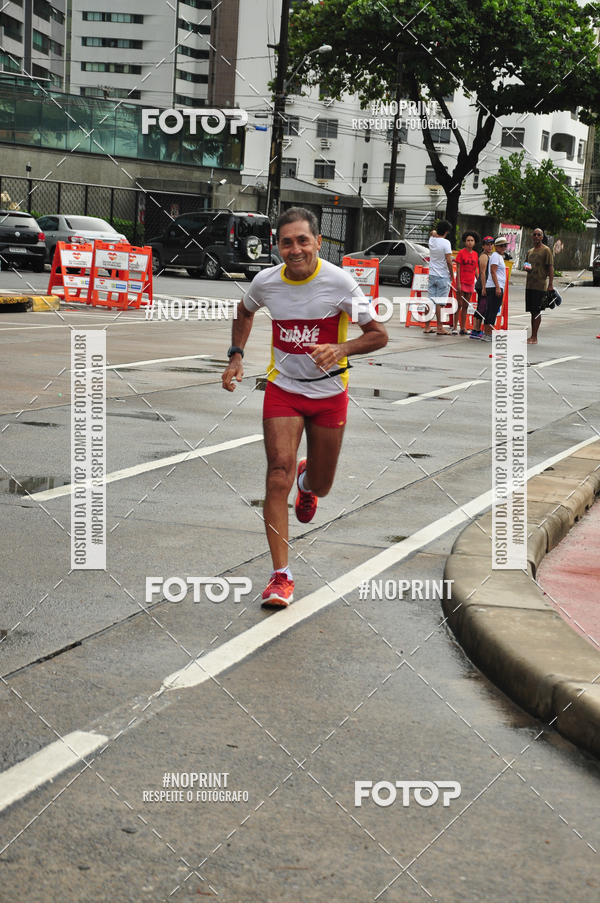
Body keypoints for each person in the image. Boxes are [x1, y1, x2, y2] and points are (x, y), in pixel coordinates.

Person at [221, 207, 388, 608]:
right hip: (284, 388)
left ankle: (307, 482)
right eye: (286, 242)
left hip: (329, 393)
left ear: (318, 242)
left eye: (302, 240)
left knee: (323, 484)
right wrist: (236, 355)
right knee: (276, 472)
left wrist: (342, 348)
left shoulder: (339, 282)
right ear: (277, 246)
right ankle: (281, 576)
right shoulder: (266, 282)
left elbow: (378, 334)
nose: (295, 249)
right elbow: (244, 311)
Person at [423, 220, 454, 335]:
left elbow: (432, 232)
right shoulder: (446, 243)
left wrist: (435, 232)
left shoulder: (432, 240)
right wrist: (451, 274)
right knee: (439, 303)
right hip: (443, 275)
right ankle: (440, 327)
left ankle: (427, 326)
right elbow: (449, 261)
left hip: (432, 274)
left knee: (430, 301)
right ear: (446, 231)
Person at [525, 227, 554, 345]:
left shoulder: (546, 250)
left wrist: (550, 284)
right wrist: (527, 267)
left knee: (537, 311)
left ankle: (534, 337)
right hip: (529, 285)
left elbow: (550, 267)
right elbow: (526, 265)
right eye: (535, 234)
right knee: (532, 311)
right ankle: (532, 336)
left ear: (542, 237)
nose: (536, 236)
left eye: (539, 235)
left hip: (540, 285)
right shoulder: (530, 251)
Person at [479, 236, 507, 342]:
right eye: (501, 246)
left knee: (491, 310)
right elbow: (493, 271)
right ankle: (488, 333)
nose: (504, 248)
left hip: (495, 286)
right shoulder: (496, 256)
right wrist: (498, 287)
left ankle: (487, 333)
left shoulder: (498, 256)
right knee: (492, 311)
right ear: (497, 247)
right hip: (495, 286)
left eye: (505, 245)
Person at [454, 231, 479, 335]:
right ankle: (454, 327)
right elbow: (458, 268)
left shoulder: (476, 254)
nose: (470, 242)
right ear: (465, 242)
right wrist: (458, 283)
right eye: (468, 240)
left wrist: (479, 281)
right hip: (461, 282)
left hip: (470, 283)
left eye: (472, 240)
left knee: (465, 306)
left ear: (474, 242)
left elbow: (476, 269)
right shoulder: (461, 253)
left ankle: (463, 327)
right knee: (459, 305)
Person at [469, 235, 494, 339]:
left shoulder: (489, 255)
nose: (490, 246)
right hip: (482, 285)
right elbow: (482, 273)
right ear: (483, 246)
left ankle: (477, 329)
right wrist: (484, 287)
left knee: (483, 307)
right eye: (487, 245)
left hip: (486, 285)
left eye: (491, 244)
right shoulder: (484, 256)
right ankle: (475, 330)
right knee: (482, 307)